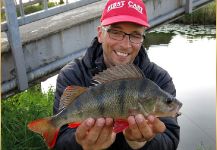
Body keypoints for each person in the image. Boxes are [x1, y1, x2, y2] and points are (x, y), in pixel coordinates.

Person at [53, 0, 180, 149]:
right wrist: (81, 144)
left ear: (142, 39)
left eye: (135, 35)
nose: (126, 44)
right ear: (101, 34)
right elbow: (60, 142)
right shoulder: (72, 75)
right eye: (116, 32)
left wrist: (142, 144)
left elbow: (170, 141)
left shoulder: (159, 79)